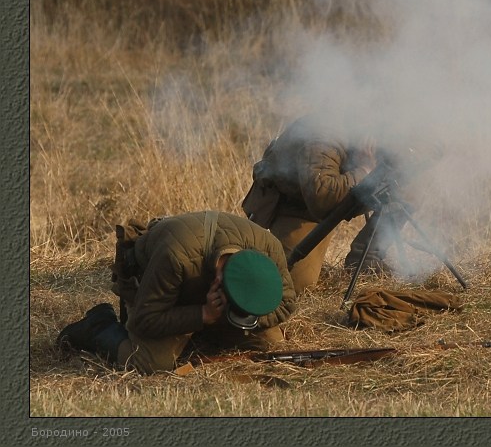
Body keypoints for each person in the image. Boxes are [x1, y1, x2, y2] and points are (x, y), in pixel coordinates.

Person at [57, 211, 297, 375]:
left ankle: (201, 336)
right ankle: (98, 325)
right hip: (154, 284)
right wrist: (202, 315)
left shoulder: (270, 247)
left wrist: (226, 317)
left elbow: (286, 303)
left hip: (199, 285)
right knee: (150, 364)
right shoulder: (176, 257)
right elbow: (145, 320)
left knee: (269, 344)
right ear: (218, 279)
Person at [241, 114, 404, 294]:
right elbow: (322, 199)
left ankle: (366, 258)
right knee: (293, 286)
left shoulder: (377, 124)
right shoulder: (324, 133)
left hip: (335, 197)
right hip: (298, 208)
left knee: (413, 187)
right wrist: (365, 169)